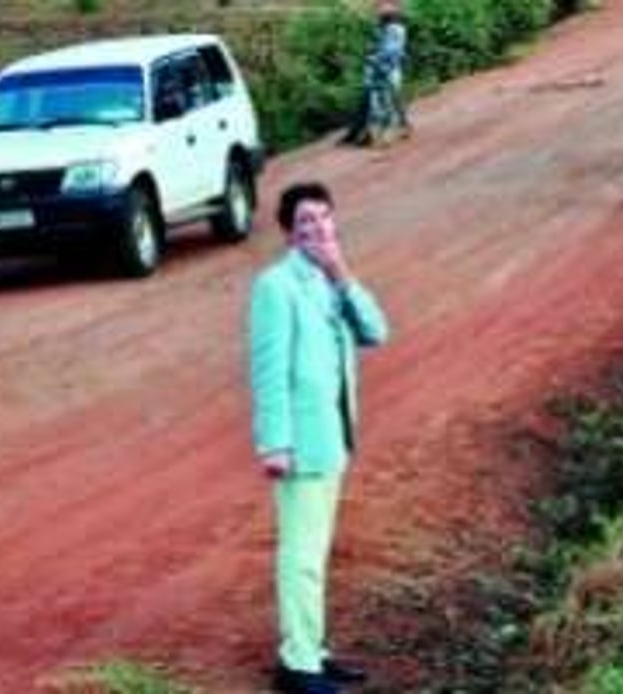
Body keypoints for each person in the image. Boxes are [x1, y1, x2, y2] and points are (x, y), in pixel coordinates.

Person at [247, 182, 390, 694]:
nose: (317, 229)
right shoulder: (275, 286)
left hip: (332, 438)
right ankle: (297, 665)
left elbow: (377, 331)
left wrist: (343, 274)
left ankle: (313, 648)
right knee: (301, 555)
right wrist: (274, 443)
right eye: (306, 222)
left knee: (316, 552)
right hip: (300, 444)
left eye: (324, 219)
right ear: (289, 233)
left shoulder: (331, 280)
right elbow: (268, 371)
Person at [341, 1, 409, 147]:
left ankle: (385, 133)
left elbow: (392, 51)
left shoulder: (395, 28)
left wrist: (375, 57)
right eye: (379, 7)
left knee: (387, 99)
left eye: (383, 7)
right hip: (378, 68)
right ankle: (367, 133)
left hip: (388, 68)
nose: (379, 10)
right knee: (375, 100)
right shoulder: (382, 27)